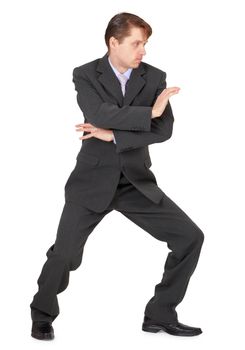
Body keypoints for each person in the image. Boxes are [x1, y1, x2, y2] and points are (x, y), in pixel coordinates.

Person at [30, 12, 204, 340]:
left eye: (145, 44)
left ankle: (160, 314)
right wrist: (149, 112)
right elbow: (98, 113)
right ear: (114, 42)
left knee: (190, 237)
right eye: (137, 43)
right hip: (91, 181)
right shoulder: (85, 74)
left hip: (134, 181)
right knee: (65, 255)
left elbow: (163, 130)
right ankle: (41, 313)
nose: (143, 51)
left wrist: (115, 136)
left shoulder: (154, 77)